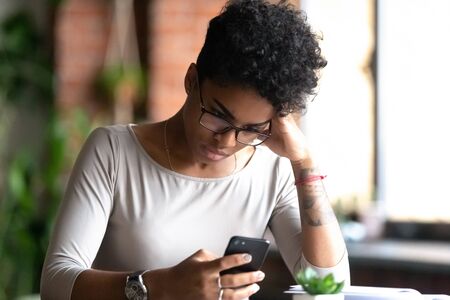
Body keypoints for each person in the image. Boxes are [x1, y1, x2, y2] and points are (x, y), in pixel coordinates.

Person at [40, 0, 350, 299]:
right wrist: (159, 287)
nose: (227, 141)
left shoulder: (273, 170)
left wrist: (303, 160)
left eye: (252, 129)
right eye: (218, 117)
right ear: (191, 81)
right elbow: (56, 283)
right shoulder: (113, 152)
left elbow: (329, 284)